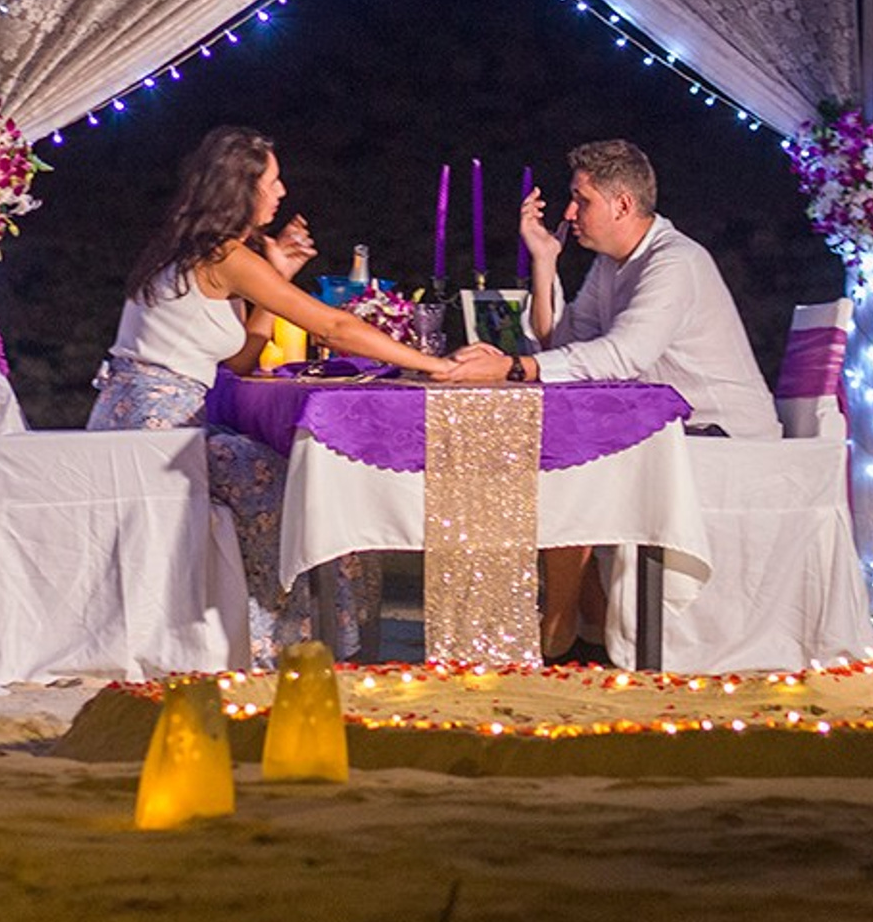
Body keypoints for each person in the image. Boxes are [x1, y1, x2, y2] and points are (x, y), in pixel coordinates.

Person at [89, 124, 453, 665]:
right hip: (154, 436)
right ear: (243, 188)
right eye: (273, 182)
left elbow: (235, 361)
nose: (282, 193)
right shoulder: (223, 255)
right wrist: (432, 365)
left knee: (284, 469)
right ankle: (284, 643)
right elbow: (332, 326)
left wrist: (275, 276)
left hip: (147, 422)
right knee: (297, 482)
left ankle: (296, 634)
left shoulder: (190, 245)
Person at [446, 138, 778, 660]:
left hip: (722, 436)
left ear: (621, 204)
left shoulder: (676, 262)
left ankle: (561, 627)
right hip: (668, 429)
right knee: (560, 450)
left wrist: (514, 368)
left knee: (569, 460)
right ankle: (585, 623)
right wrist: (545, 260)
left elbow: (622, 355)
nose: (569, 212)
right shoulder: (612, 266)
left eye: (581, 200)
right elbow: (565, 342)